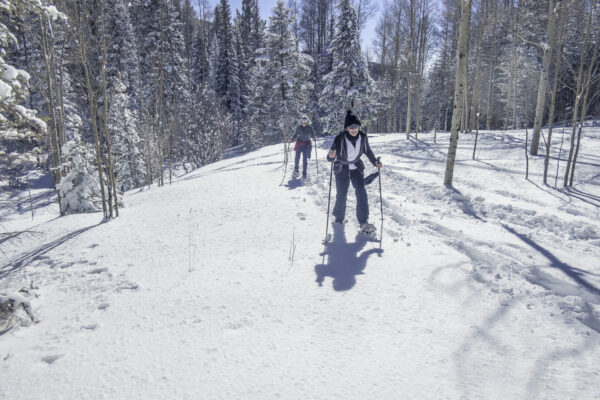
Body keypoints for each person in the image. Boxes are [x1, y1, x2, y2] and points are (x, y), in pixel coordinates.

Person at [326, 110, 382, 234]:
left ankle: (363, 222)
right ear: (346, 128)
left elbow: (368, 151)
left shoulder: (363, 137)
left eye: (356, 126)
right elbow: (330, 157)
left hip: (356, 167)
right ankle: (339, 219)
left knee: (361, 192)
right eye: (351, 127)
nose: (354, 129)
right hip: (342, 168)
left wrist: (375, 162)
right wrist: (331, 156)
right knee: (342, 194)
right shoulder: (340, 138)